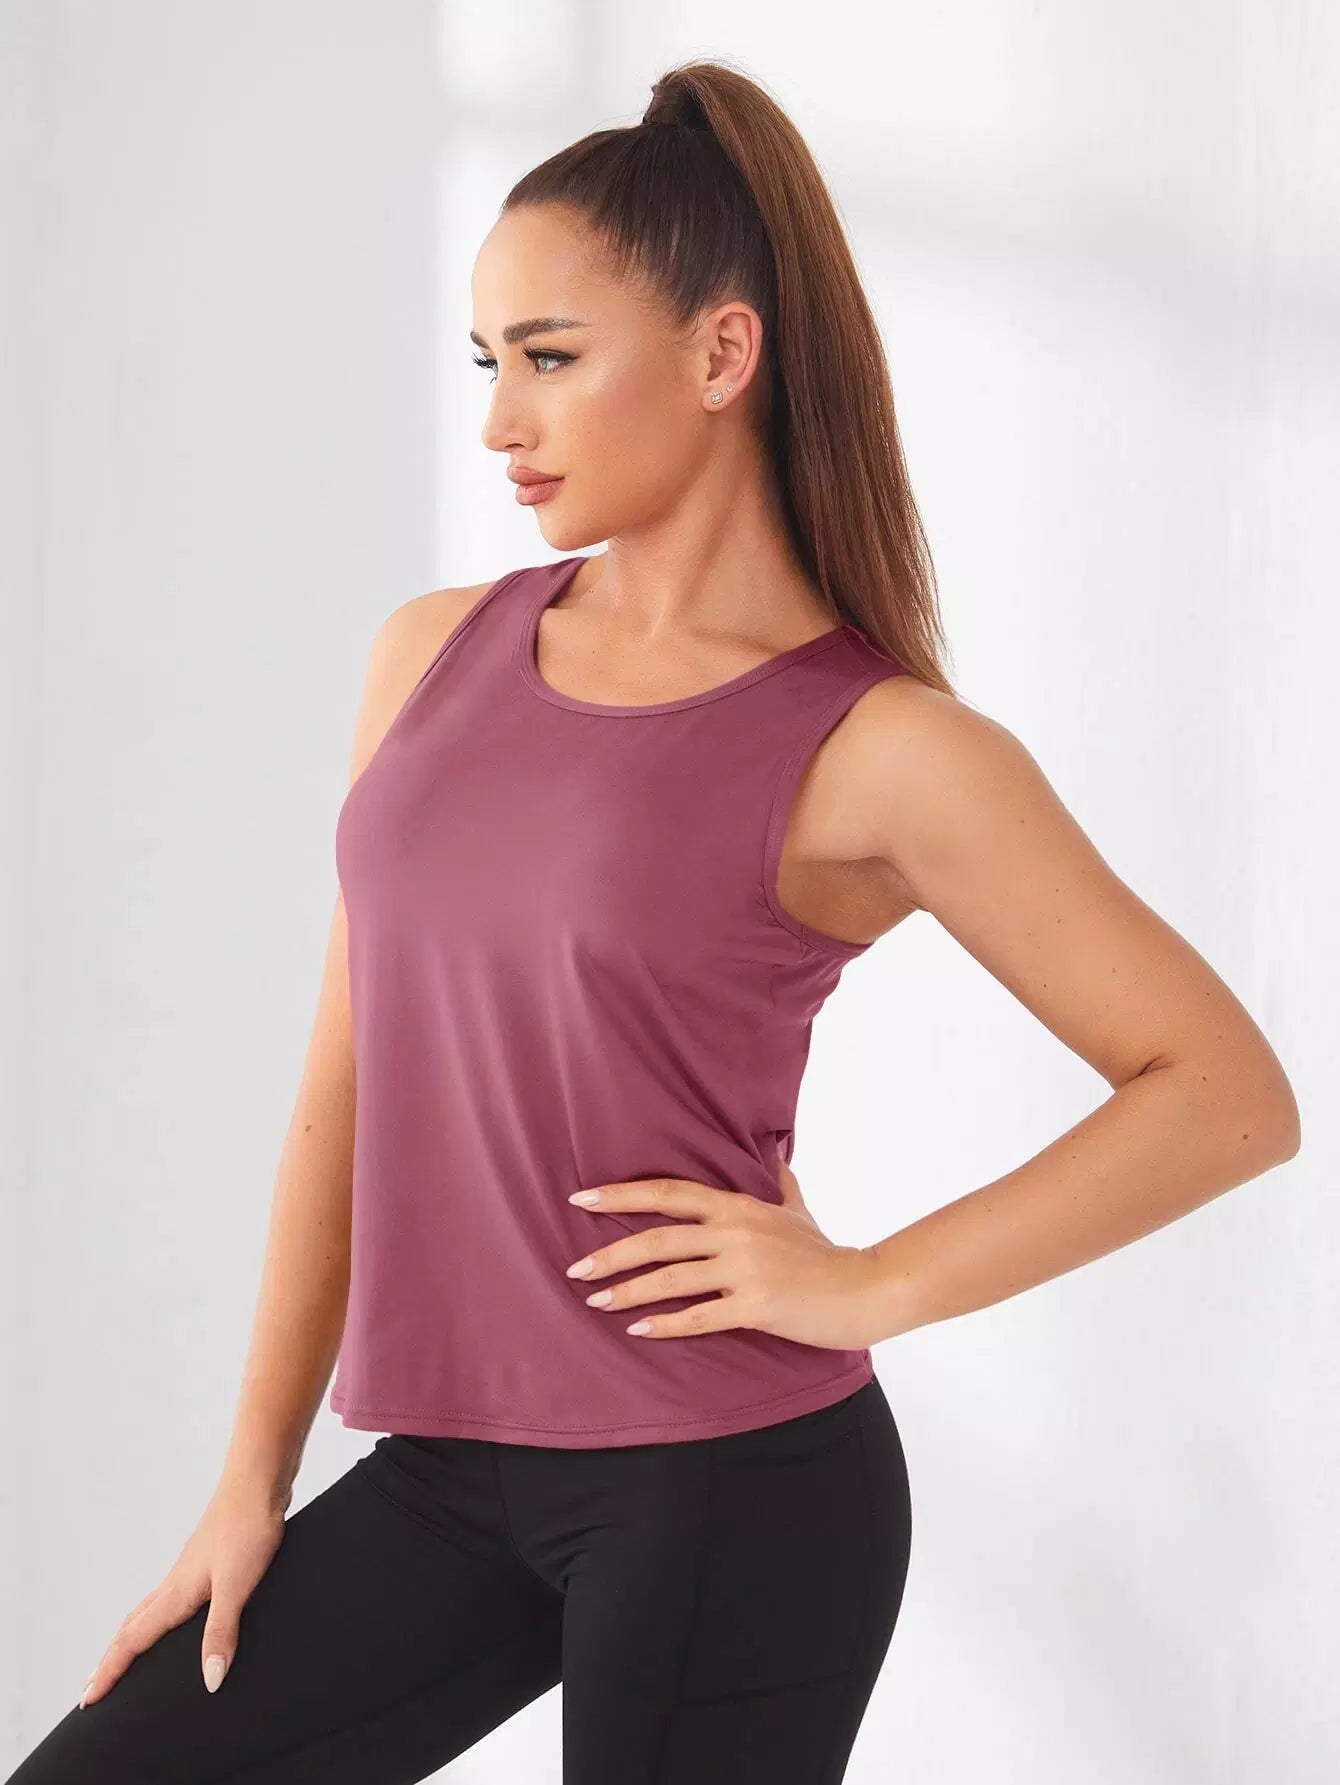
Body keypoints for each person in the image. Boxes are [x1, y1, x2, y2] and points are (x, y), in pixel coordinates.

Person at [6, 56, 1299, 1785]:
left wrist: (872, 1280)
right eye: (487, 361)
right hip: (447, 1470)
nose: (501, 421)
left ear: (720, 354)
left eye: (549, 357)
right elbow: (346, 1077)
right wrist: (252, 1476)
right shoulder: (429, 656)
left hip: (732, 1486)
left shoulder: (881, 748)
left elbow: (1226, 1092)